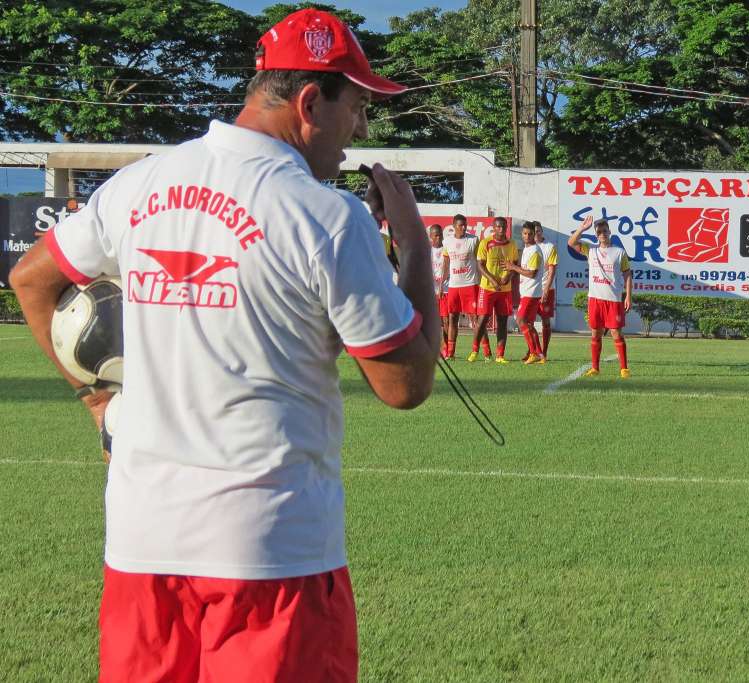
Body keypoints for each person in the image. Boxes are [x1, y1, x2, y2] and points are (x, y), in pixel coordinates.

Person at [9, 9, 440, 681]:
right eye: (356, 106)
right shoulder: (327, 215)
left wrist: (98, 399)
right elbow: (404, 384)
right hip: (273, 555)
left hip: (141, 546)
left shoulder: (140, 182)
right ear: (308, 103)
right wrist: (413, 241)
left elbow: (31, 279)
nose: (358, 130)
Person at [567, 216, 632, 378]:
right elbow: (571, 243)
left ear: (609, 232)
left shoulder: (619, 252)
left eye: (605, 231)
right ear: (596, 235)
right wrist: (581, 229)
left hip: (614, 300)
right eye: (599, 232)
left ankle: (624, 369)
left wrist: (628, 296)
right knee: (595, 333)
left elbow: (627, 275)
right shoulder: (591, 250)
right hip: (595, 299)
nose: (602, 234)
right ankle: (595, 368)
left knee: (616, 333)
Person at [443, 214, 491, 360]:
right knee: (452, 318)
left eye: (465, 225)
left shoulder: (473, 240)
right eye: (460, 225)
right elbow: (446, 263)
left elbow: (480, 261)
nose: (463, 227)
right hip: (453, 286)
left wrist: (484, 280)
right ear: (454, 226)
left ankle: (486, 352)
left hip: (470, 284)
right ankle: (451, 353)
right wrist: (441, 283)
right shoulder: (447, 241)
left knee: (476, 319)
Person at [470, 216, 517, 363]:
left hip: (505, 290)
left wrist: (508, 277)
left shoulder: (512, 244)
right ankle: (475, 350)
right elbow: (480, 265)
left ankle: (500, 355)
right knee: (483, 319)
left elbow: (514, 265)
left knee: (502, 321)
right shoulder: (486, 242)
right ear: (493, 227)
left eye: (503, 227)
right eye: (498, 227)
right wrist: (492, 280)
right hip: (488, 288)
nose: (501, 229)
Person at [504, 222, 544, 364]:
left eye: (530, 234)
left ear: (535, 234)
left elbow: (532, 273)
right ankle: (540, 354)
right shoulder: (527, 249)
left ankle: (533, 353)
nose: (527, 236)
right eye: (525, 233)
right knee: (529, 324)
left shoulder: (535, 251)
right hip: (528, 291)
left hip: (531, 292)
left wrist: (513, 267)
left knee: (520, 320)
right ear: (522, 234)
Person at [534, 221, 558, 360]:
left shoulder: (550, 247)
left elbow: (552, 271)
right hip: (530, 290)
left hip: (546, 289)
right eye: (534, 231)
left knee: (545, 321)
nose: (536, 234)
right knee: (526, 321)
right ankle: (533, 351)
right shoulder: (529, 247)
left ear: (542, 232)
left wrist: (546, 290)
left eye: (538, 231)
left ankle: (544, 351)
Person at [429, 223, 450, 356]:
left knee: (446, 320)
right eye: (436, 235)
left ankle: (447, 349)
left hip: (445, 290)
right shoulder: (427, 251)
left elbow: (447, 268)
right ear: (431, 236)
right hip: (431, 291)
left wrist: (441, 284)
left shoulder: (446, 249)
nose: (439, 238)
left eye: (440, 235)